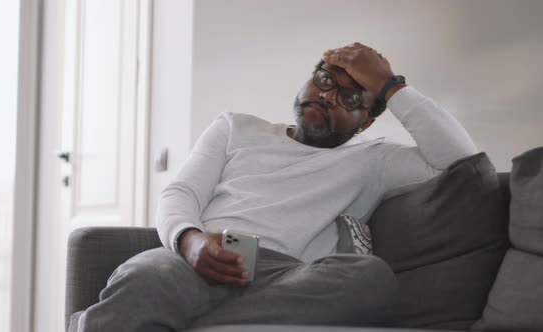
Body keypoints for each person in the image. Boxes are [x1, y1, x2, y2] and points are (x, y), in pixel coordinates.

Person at [69, 42, 478, 332]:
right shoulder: (235, 127)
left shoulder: (376, 160)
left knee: (371, 278)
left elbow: (462, 161)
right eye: (323, 79)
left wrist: (391, 85)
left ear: (367, 120)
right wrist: (189, 241)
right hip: (209, 251)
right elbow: (181, 193)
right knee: (145, 275)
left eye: (351, 97)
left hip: (288, 277)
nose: (327, 95)